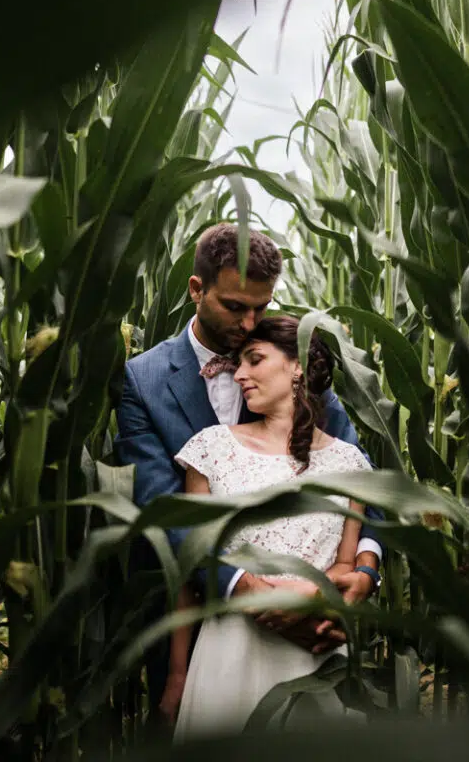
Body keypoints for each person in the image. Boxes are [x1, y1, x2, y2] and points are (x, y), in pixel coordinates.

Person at [113, 223, 385, 730]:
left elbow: (366, 481)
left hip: (322, 625)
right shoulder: (143, 380)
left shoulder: (293, 367)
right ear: (197, 290)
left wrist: (361, 574)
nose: (250, 322)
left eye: (262, 307)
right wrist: (252, 592)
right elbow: (164, 512)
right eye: (236, 307)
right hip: (201, 626)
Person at [167, 315, 373, 740]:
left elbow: (347, 563)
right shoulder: (210, 449)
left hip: (315, 651)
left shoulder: (350, 463)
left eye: (254, 360)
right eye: (238, 363)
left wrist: (307, 596)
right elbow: (190, 568)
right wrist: (177, 674)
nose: (240, 374)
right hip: (229, 653)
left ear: (297, 365)